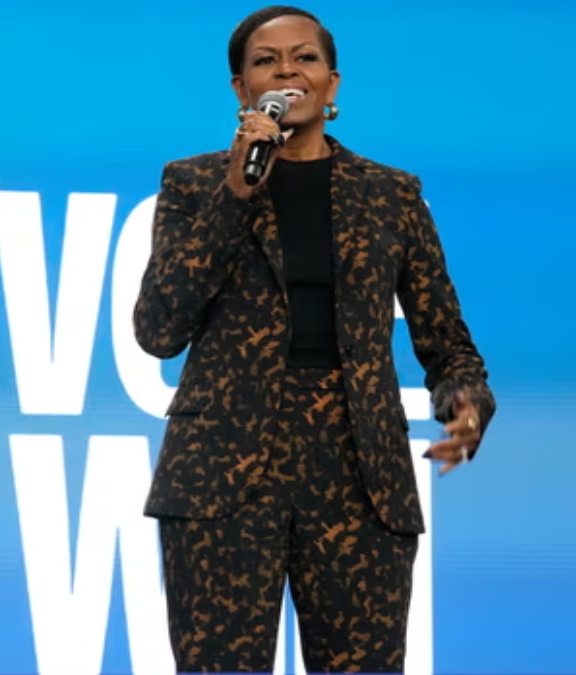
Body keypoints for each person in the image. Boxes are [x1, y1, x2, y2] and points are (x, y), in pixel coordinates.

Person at [133, 6, 494, 673]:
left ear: (333, 84)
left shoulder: (391, 195)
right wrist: (234, 194)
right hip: (223, 478)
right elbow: (158, 329)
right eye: (266, 61)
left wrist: (465, 404)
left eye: (305, 58)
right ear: (241, 89)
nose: (287, 71)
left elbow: (447, 343)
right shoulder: (192, 184)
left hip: (358, 476)